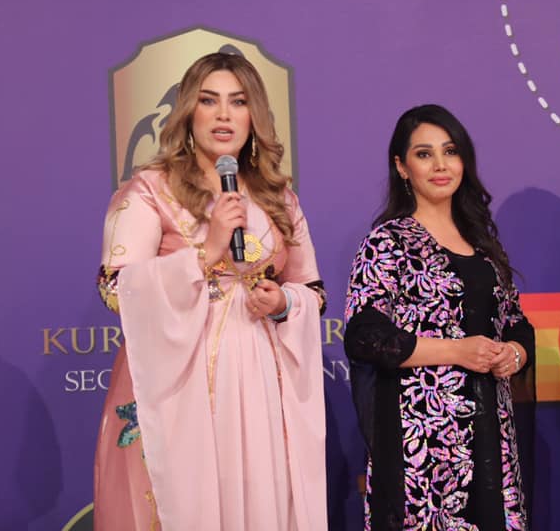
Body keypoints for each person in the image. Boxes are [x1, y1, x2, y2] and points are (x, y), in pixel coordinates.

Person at [93, 52, 328, 530]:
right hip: (177, 379)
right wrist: (205, 253)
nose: (224, 115)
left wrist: (284, 302)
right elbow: (115, 289)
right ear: (187, 112)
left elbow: (313, 289)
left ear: (254, 116)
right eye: (208, 101)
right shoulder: (150, 189)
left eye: (238, 102)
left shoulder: (279, 198)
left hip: (259, 380)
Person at [344, 104, 534, 530]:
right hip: (423, 439)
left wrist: (513, 354)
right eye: (424, 154)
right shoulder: (388, 242)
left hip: (492, 432)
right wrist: (457, 352)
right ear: (402, 167)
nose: (440, 165)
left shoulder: (483, 245)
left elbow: (517, 324)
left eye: (450, 151)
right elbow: (365, 336)